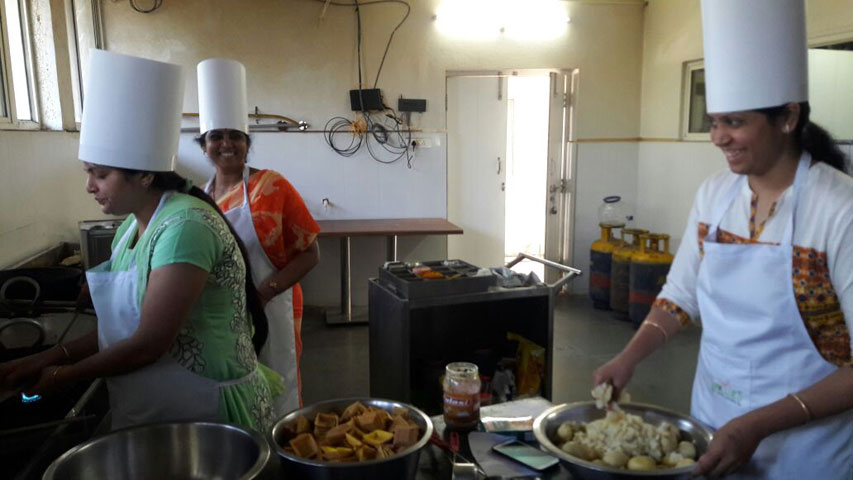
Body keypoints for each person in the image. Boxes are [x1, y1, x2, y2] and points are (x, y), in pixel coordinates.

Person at [593, 1, 853, 478]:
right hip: (712, 428)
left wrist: (758, 423)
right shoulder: (716, 197)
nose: (718, 137)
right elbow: (678, 296)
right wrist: (628, 358)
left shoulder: (839, 211)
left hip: (806, 451)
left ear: (788, 117)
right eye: (714, 121)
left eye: (735, 122)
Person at [0, 50, 277, 431]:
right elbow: (121, 331)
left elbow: (149, 343)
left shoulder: (185, 226)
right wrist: (46, 358)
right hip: (158, 401)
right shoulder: (132, 227)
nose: (89, 186)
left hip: (208, 409)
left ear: (144, 176)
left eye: (100, 174)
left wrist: (62, 375)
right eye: (88, 172)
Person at [196, 58, 320, 415]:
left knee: (278, 391)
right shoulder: (200, 198)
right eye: (216, 136)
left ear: (247, 143)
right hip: (221, 319)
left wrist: (263, 294)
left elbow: (311, 255)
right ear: (204, 145)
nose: (226, 143)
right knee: (235, 395)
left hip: (270, 309)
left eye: (235, 136)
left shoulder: (271, 186)